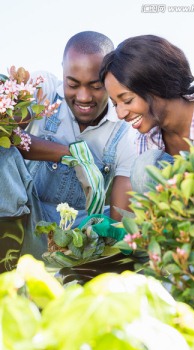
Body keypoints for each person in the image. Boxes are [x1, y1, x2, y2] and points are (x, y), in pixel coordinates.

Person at [99, 34, 194, 192]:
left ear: (156, 84)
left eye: (127, 100)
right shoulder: (146, 141)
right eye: (115, 104)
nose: (120, 114)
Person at [24, 31, 138, 224]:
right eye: (73, 84)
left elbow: (120, 218)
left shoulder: (125, 131)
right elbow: (8, 135)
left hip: (78, 226)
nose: (84, 97)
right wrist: (72, 155)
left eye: (96, 86)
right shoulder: (44, 88)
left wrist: (109, 235)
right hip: (25, 213)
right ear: (63, 71)